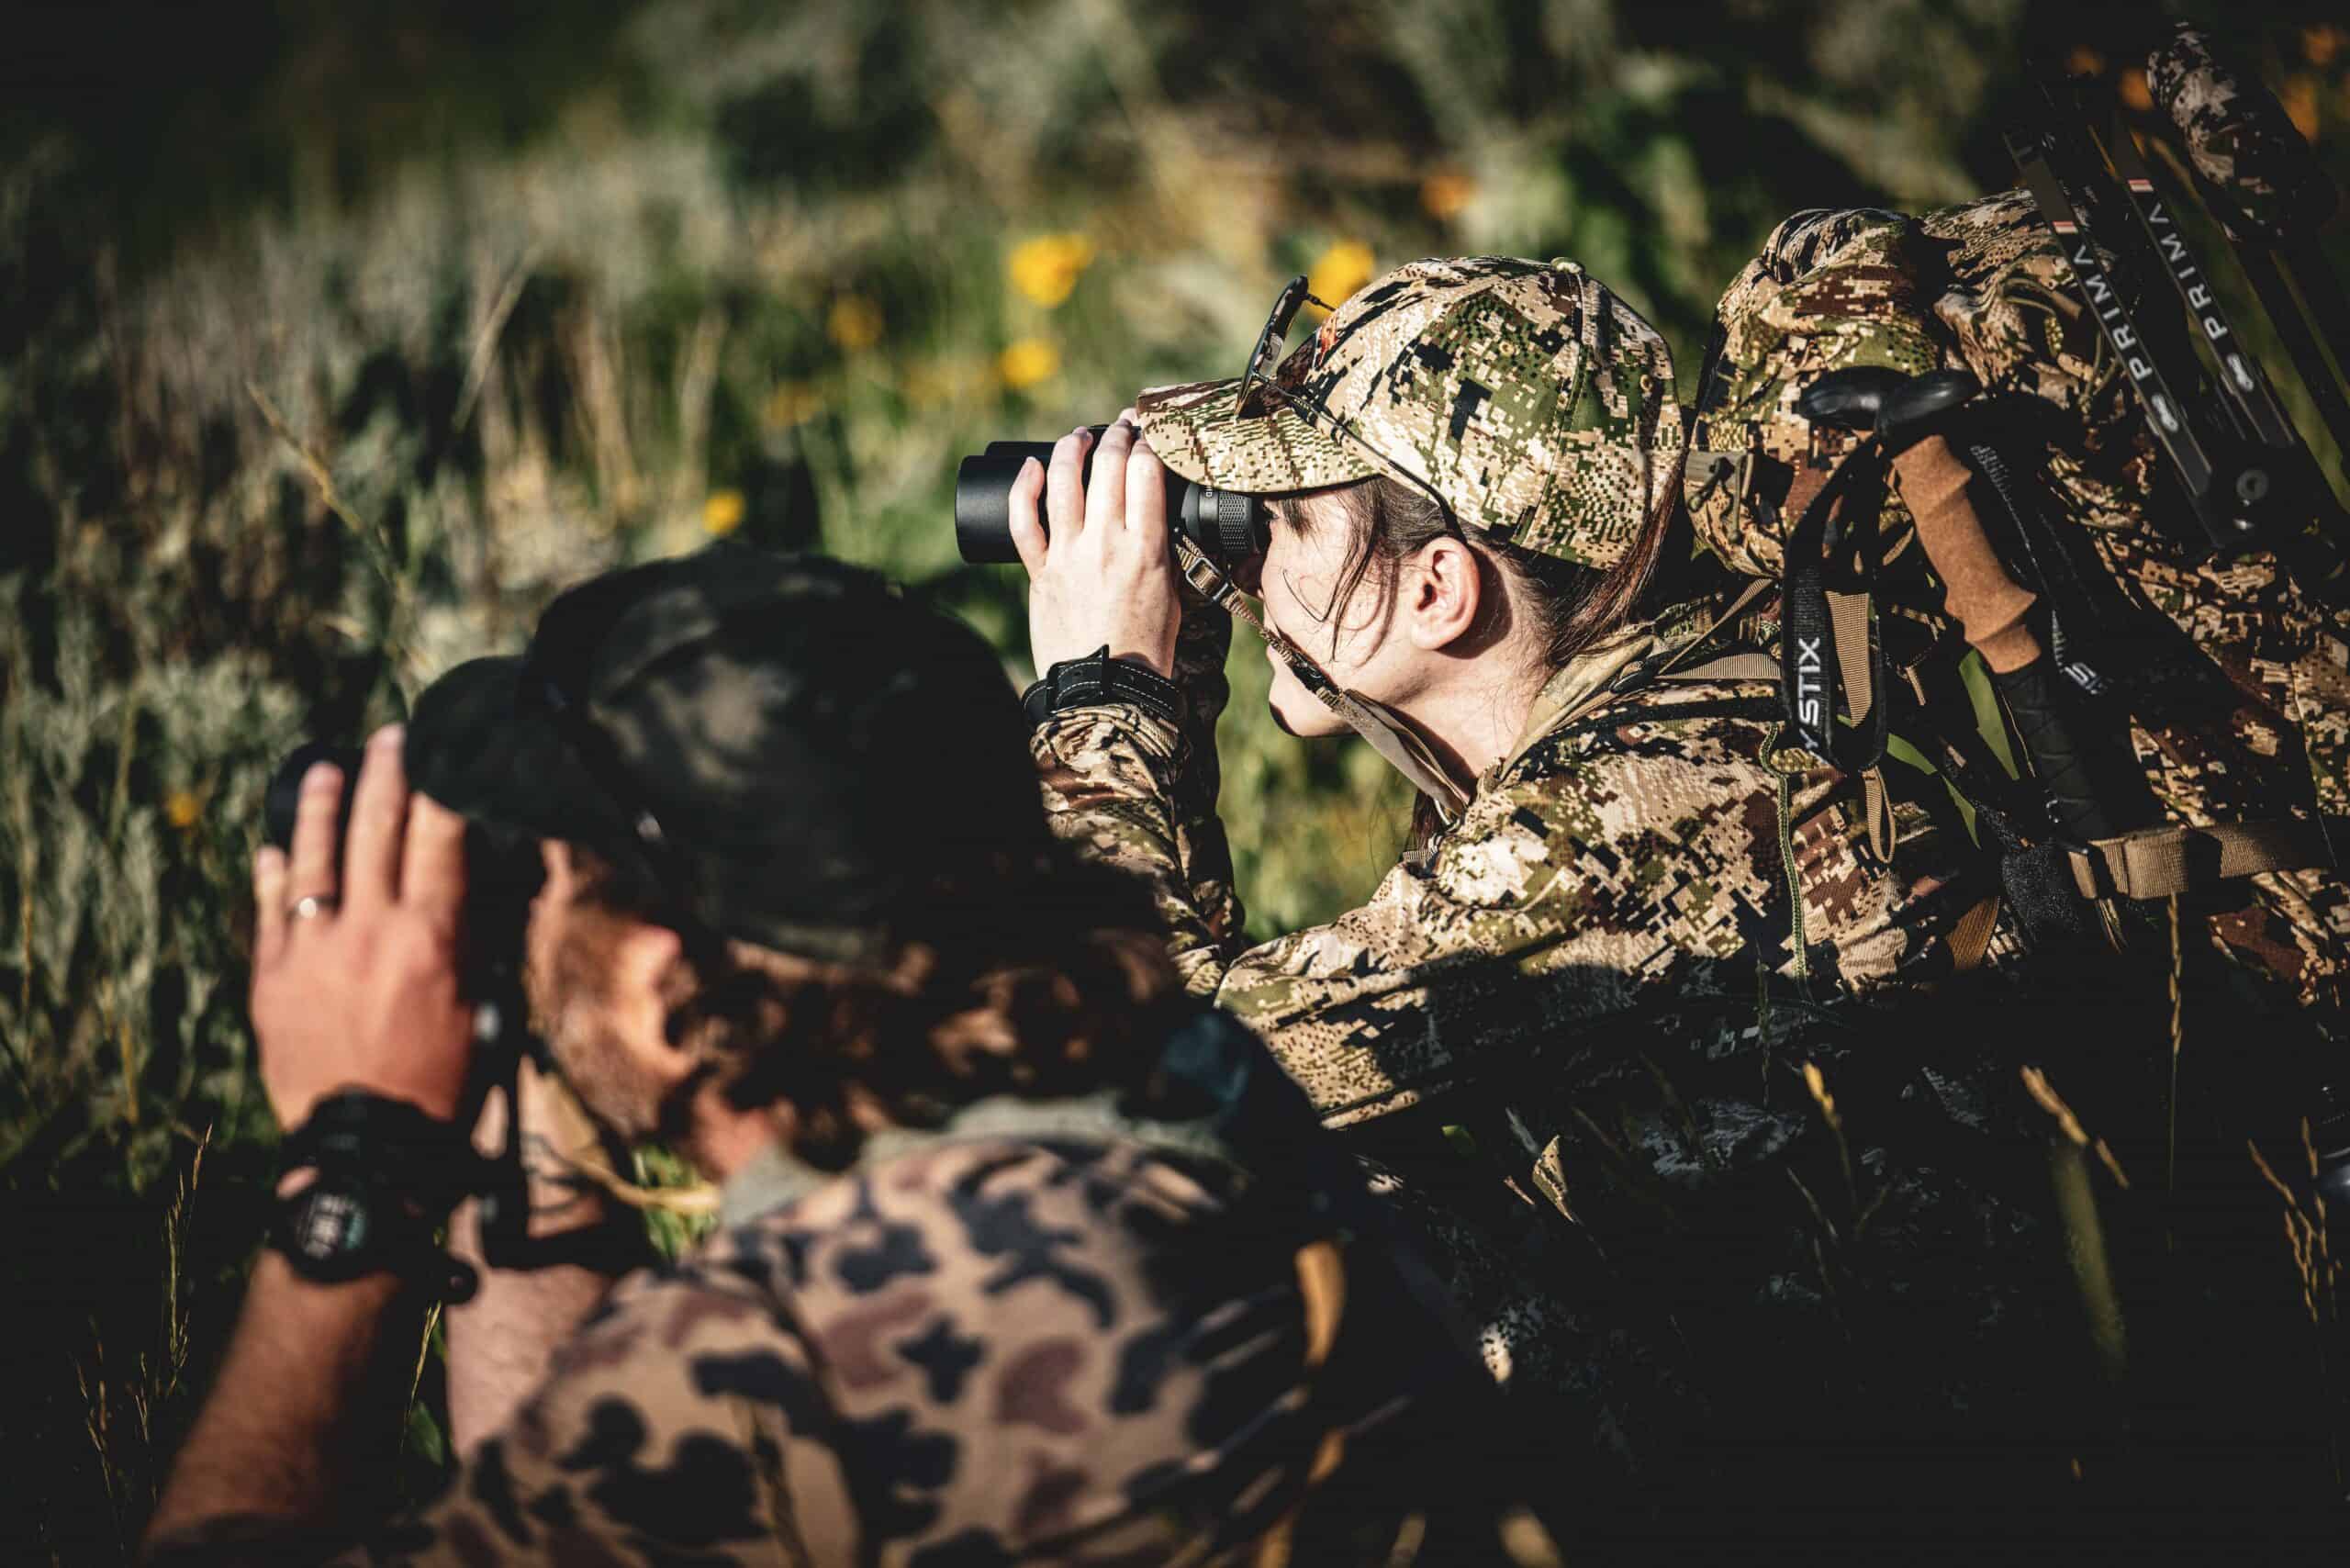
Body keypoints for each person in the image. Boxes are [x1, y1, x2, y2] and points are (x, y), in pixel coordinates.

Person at [141, 545, 1529, 1566]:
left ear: (664, 987)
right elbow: (558, 1484)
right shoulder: (1191, 1087)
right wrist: (538, 1078)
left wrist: (361, 1165)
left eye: (551, 873)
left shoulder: (799, 1356)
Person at [1011, 260, 2093, 1545]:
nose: (1233, 555)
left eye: (1277, 518)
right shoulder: (1686, 696)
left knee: (1235, 1213)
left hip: (1906, 1502)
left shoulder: (1616, 822)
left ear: (1437, 591)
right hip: (1844, 1421)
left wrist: (1103, 692)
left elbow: (1133, 1068)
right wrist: (1175, 685)